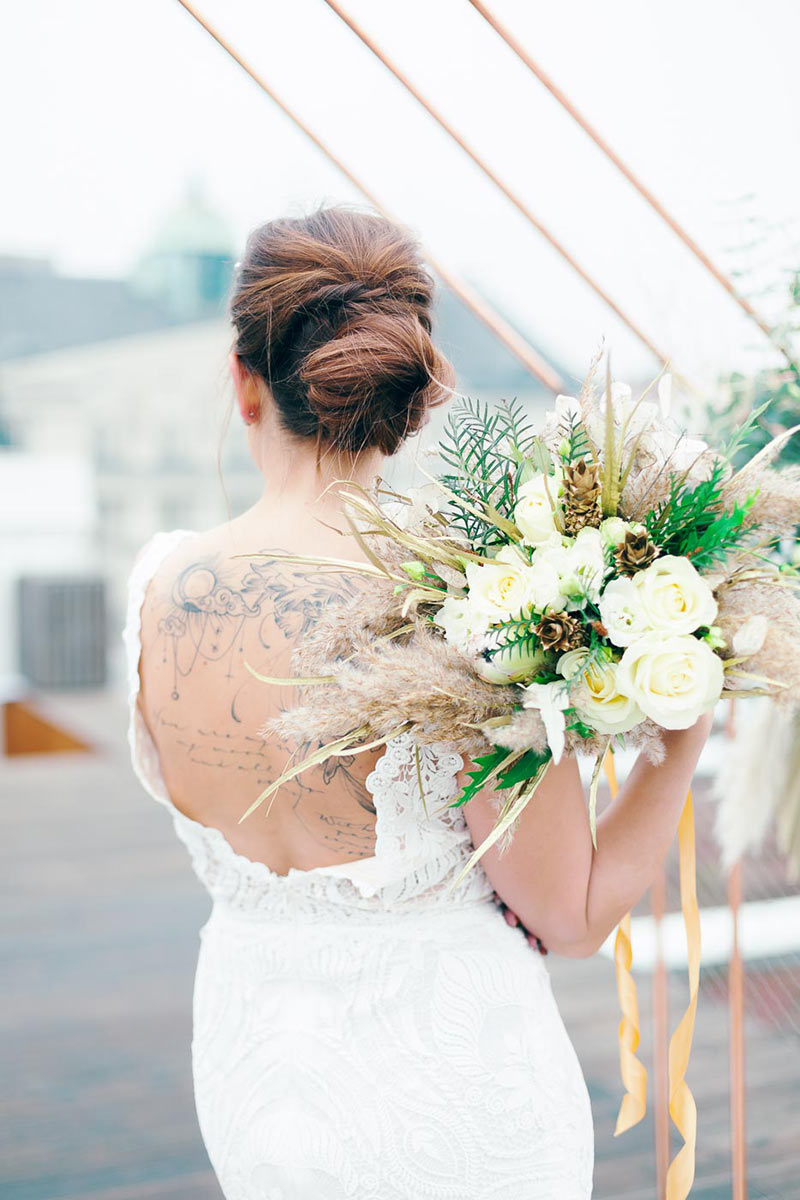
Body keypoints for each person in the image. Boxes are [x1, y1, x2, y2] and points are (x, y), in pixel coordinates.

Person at [123, 204, 713, 1199]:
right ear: (415, 393)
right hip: (453, 1099)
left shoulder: (154, 587)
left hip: (259, 1084)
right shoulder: (468, 615)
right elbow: (568, 917)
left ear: (242, 380)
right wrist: (680, 733)